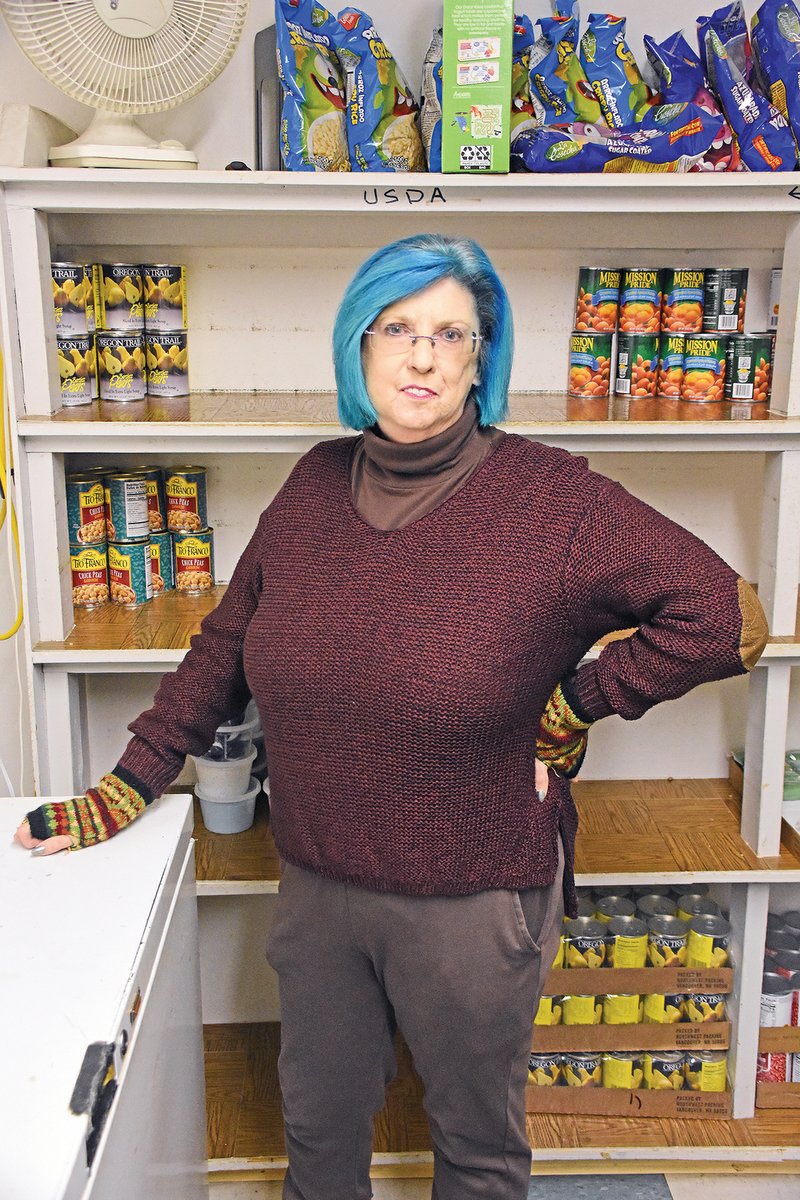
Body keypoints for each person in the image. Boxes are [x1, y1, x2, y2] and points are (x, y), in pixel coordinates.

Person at [16, 235, 767, 1200]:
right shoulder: (310, 488)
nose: (422, 356)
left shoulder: (553, 503)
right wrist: (130, 782)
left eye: (451, 333)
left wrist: (579, 699)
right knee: (319, 1136)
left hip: (474, 895)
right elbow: (224, 649)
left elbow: (728, 618)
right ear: (358, 349)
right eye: (398, 328)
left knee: (475, 1147)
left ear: (480, 359)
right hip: (321, 886)